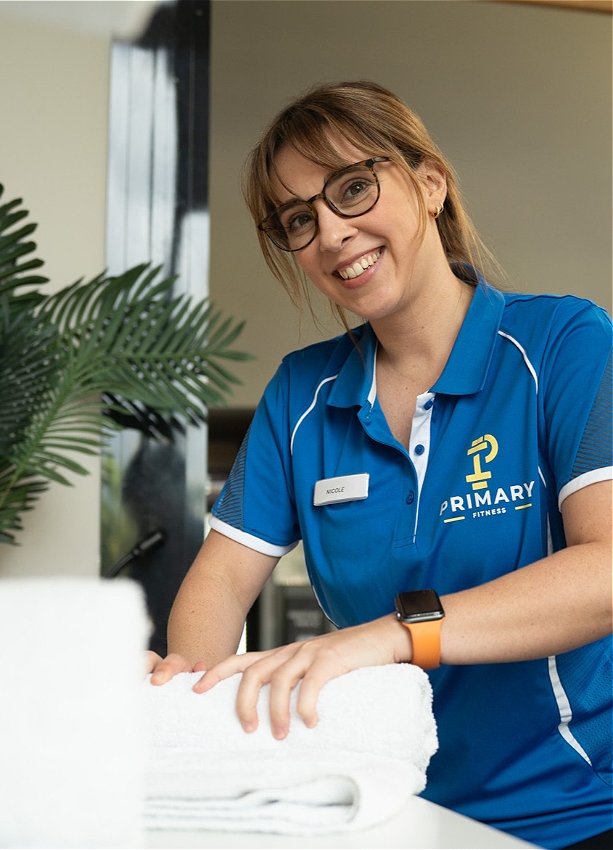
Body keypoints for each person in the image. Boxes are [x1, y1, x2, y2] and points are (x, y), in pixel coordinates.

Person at [147, 81, 612, 850]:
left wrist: (393, 634)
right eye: (299, 219)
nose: (330, 233)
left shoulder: (563, 343)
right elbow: (221, 582)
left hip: (570, 816)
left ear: (429, 183)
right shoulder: (303, 392)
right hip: (386, 813)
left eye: (352, 188)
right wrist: (188, 698)